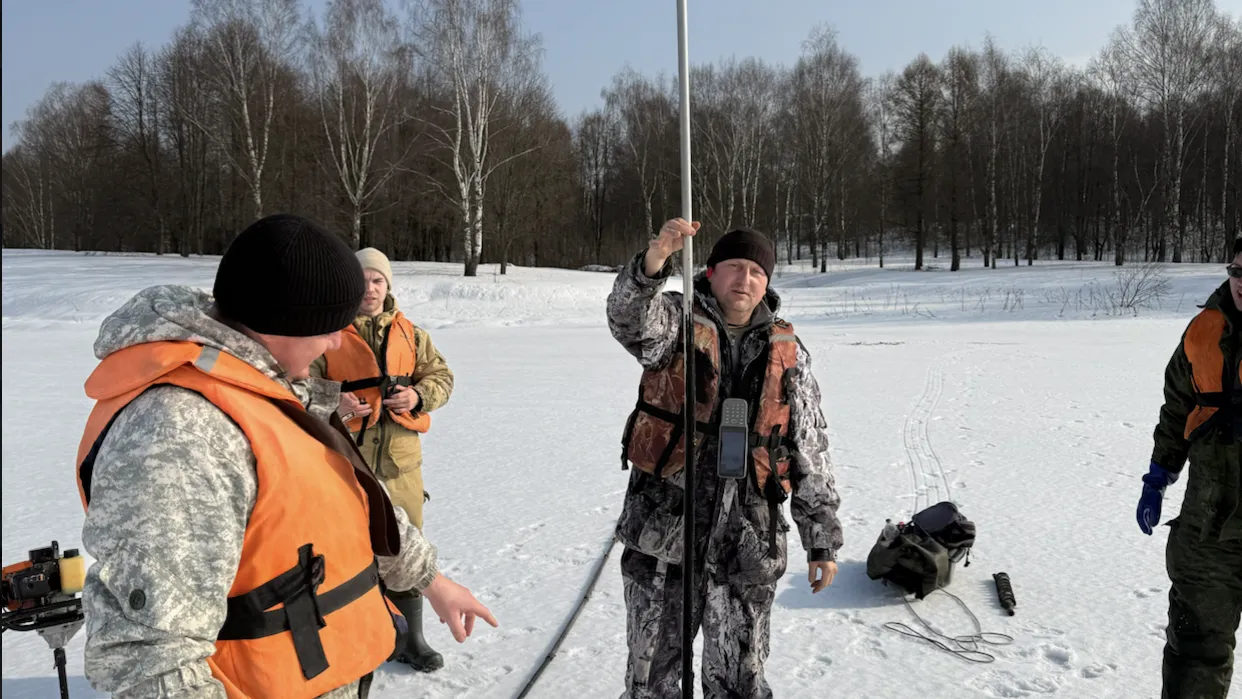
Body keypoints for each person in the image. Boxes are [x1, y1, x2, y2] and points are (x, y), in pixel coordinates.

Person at [74, 214, 496, 698]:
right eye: (330, 328)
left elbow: (349, 504)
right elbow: (151, 660)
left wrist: (431, 581)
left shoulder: (265, 383)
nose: (338, 342)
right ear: (287, 322)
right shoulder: (178, 435)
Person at [606, 219, 843, 699]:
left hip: (748, 541)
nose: (746, 279)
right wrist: (654, 263)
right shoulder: (674, 324)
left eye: (757, 271)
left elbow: (809, 446)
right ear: (709, 272)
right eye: (735, 266)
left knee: (740, 681)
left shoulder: (788, 352)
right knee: (651, 679)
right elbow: (628, 320)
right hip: (665, 533)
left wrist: (821, 537)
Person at [309, 247, 454, 672]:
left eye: (378, 281)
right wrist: (335, 401)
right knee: (343, 550)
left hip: (401, 466)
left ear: (388, 285)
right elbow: (296, 385)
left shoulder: (413, 335)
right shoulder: (326, 333)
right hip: (344, 461)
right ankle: (351, 635)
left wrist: (418, 395)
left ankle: (410, 638)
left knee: (406, 547)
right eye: (362, 281)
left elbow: (442, 377)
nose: (370, 289)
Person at [1137, 235, 1242, 699]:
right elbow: (1178, 407)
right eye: (1238, 272)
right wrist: (1158, 476)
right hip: (1208, 530)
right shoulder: (1204, 331)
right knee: (1195, 650)